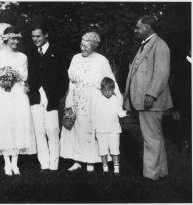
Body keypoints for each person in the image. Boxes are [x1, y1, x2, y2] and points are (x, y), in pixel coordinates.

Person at [60, 30, 123, 172]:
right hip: (74, 99)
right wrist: (69, 98)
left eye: (85, 46)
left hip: (92, 102)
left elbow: (110, 80)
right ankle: (77, 160)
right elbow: (70, 78)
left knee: (90, 130)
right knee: (74, 129)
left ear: (94, 46)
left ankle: (91, 161)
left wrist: (118, 99)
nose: (82, 48)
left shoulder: (101, 60)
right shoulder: (75, 58)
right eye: (81, 45)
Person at [124, 15, 173, 181]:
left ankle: (150, 176)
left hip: (150, 100)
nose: (135, 30)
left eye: (138, 27)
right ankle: (161, 171)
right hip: (146, 99)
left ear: (148, 27)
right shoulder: (147, 45)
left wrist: (151, 94)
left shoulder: (160, 45)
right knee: (156, 136)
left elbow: (161, 73)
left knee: (150, 138)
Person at [0, 26, 36, 176]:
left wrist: (22, 83)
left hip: (18, 94)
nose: (15, 41)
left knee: (17, 126)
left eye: (17, 38)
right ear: (6, 39)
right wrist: (2, 80)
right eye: (12, 38)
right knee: (5, 126)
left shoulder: (23, 57)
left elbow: (24, 77)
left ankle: (15, 164)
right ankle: (6, 163)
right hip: (3, 94)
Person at [27, 24, 69, 172]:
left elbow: (64, 79)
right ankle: (44, 164)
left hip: (51, 97)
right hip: (35, 97)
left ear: (46, 35)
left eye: (38, 36)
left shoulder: (57, 52)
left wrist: (56, 97)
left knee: (52, 130)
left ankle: (54, 164)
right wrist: (29, 88)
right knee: (39, 130)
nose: (35, 39)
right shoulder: (30, 52)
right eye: (33, 36)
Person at [95, 77, 127, 176]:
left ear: (113, 90)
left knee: (115, 149)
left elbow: (119, 111)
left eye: (110, 90)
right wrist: (95, 129)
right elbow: (96, 115)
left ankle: (116, 169)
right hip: (101, 130)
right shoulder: (99, 100)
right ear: (102, 90)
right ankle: (105, 168)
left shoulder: (115, 99)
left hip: (114, 130)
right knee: (103, 150)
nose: (108, 92)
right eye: (105, 90)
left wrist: (124, 113)